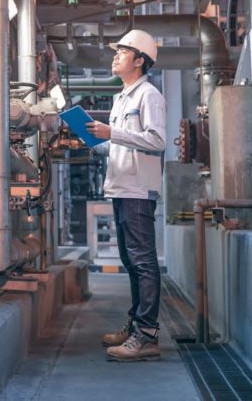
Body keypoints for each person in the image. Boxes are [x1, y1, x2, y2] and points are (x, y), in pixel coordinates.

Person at [85, 29, 167, 362]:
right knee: (132, 261)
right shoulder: (122, 98)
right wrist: (93, 140)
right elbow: (120, 144)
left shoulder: (149, 95)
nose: (116, 55)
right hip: (121, 188)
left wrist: (112, 132)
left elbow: (157, 141)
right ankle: (136, 326)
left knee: (144, 262)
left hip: (137, 190)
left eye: (123, 51)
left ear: (139, 60)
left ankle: (146, 336)